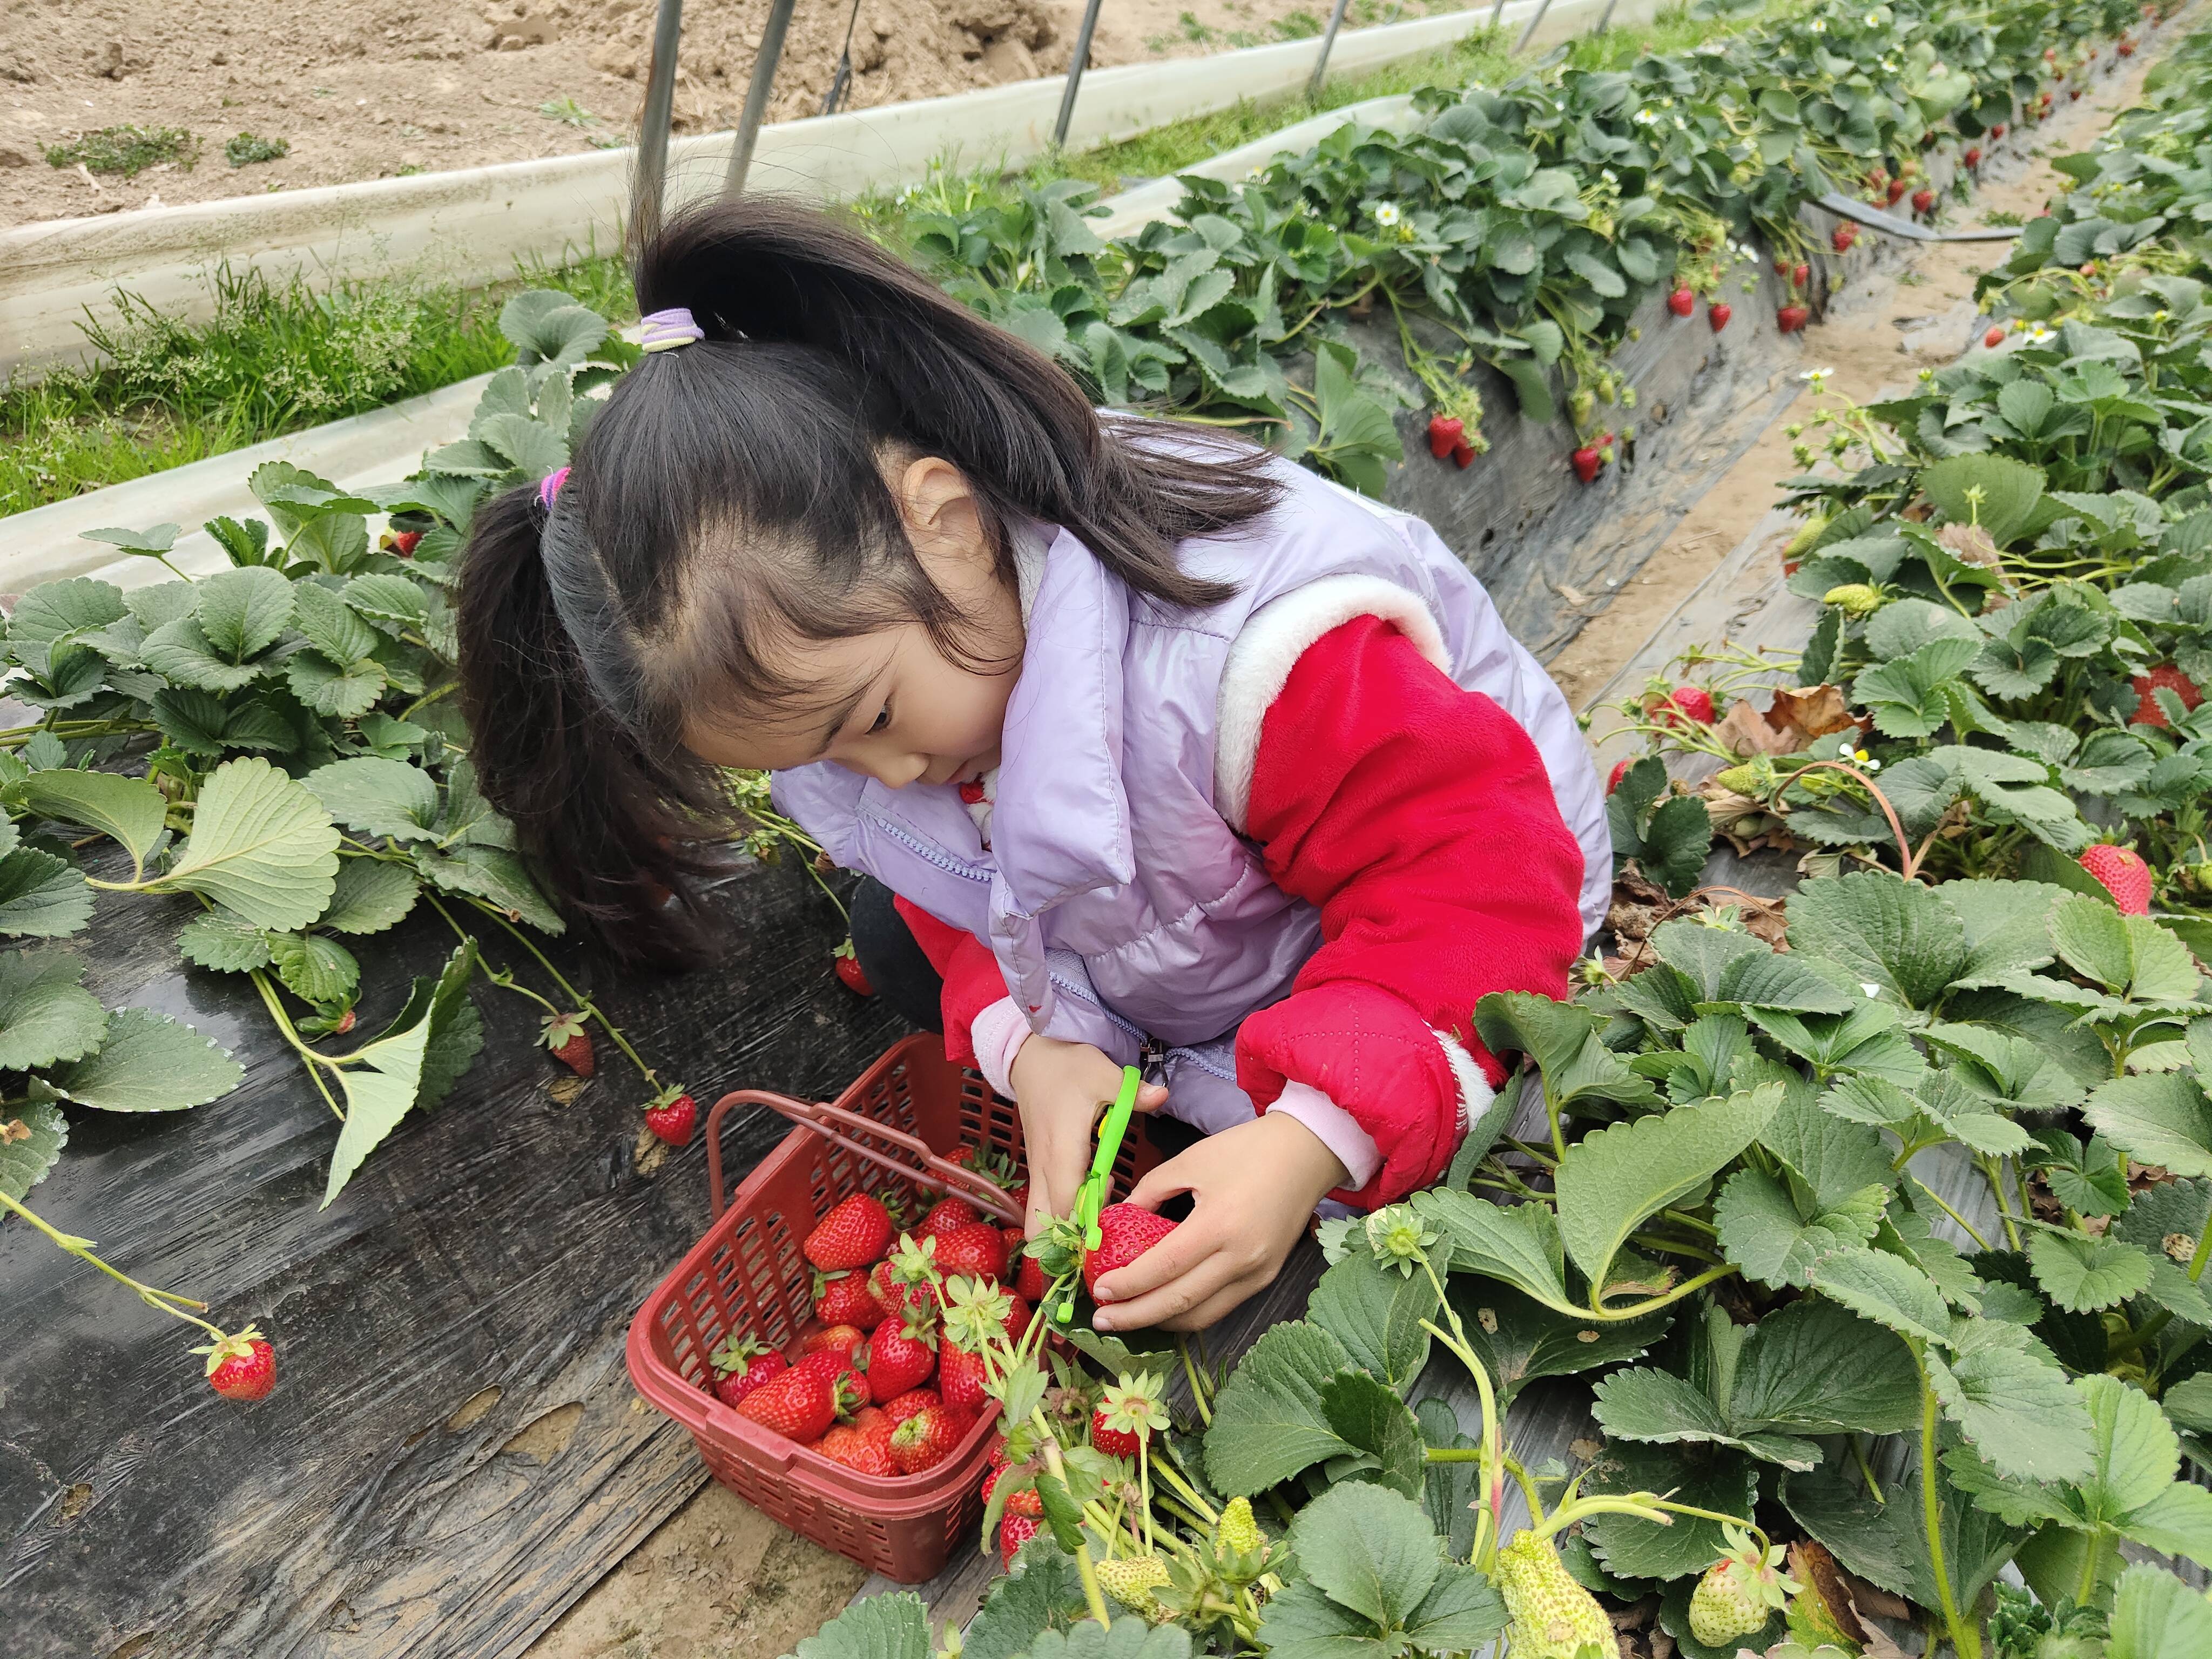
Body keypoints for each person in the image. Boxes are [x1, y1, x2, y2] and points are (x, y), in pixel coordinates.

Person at [455, 195, 1608, 1334]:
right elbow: (954, 887)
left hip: (1475, 900)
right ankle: (1203, 1075)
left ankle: (1321, 1088)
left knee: (1367, 1162)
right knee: (893, 924)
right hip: (1196, 911)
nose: (887, 771)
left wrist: (1315, 1136)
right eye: (817, 756)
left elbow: (1474, 888)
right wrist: (1043, 1049)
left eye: (872, 716)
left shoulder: (1254, 660)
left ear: (947, 518)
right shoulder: (889, 680)